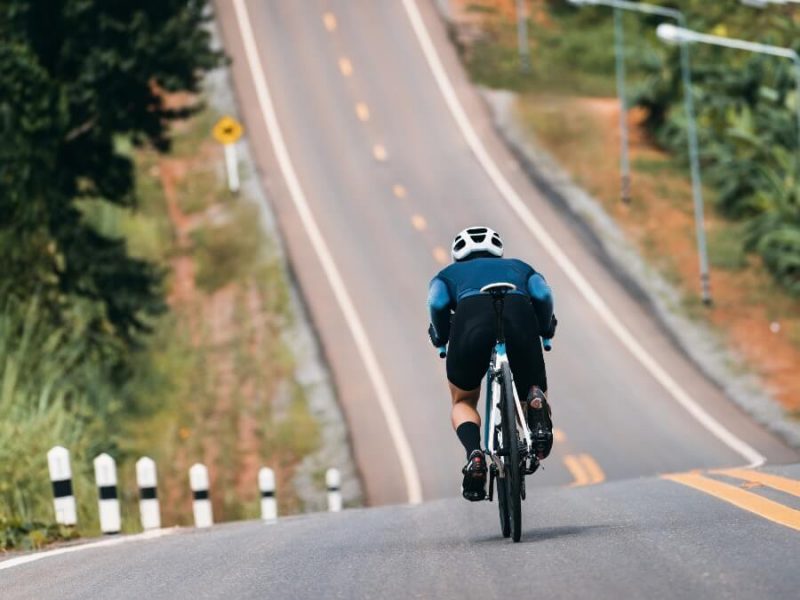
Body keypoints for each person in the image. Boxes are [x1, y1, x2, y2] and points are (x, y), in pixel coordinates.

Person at [427, 226, 556, 501]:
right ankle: (534, 404)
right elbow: (543, 295)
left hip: (470, 325)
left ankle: (474, 454)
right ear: (498, 252)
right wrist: (546, 329)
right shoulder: (520, 267)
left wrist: (440, 336)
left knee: (463, 401)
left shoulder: (447, 275)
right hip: (519, 318)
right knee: (531, 387)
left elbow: (437, 303)